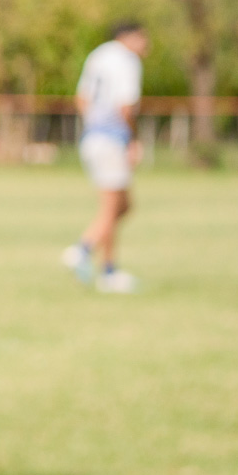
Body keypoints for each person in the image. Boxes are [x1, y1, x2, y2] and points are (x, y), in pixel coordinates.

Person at [62, 22, 148, 294]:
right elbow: (125, 105)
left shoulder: (98, 54)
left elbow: (82, 98)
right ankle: (84, 251)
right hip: (111, 139)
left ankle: (106, 268)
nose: (147, 45)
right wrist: (132, 140)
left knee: (120, 206)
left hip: (93, 137)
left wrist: (93, 125)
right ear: (130, 37)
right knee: (114, 207)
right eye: (144, 38)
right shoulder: (127, 60)